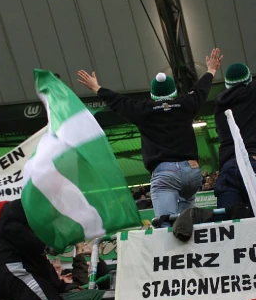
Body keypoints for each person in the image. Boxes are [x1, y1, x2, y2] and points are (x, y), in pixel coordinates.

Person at [77, 48, 223, 226]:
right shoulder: (185, 104)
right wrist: (211, 70)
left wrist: (96, 88)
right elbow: (200, 90)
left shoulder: (143, 110)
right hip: (191, 173)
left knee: (165, 225)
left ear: (153, 95)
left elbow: (118, 101)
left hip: (165, 175)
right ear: (174, 92)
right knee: (188, 224)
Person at [213, 20, 256, 208]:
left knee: (231, 228)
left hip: (230, 167)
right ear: (249, 80)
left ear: (227, 85)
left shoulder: (219, 105)